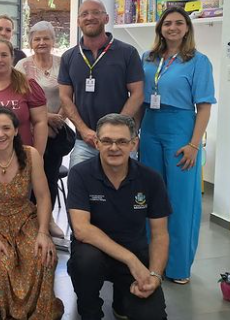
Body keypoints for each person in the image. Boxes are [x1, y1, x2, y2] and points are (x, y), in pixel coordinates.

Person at [138, 7, 216, 284]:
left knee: (181, 201)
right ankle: (153, 260)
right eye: (167, 23)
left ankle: (178, 267)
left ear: (187, 28)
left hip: (181, 128)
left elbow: (204, 107)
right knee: (150, 196)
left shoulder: (198, 61)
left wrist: (194, 145)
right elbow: (140, 99)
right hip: (150, 125)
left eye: (179, 23)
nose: (172, 28)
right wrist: (134, 133)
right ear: (160, 28)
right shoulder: (148, 58)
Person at [67, 114, 170, 320]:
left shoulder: (151, 179)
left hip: (135, 252)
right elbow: (81, 229)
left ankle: (122, 303)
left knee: (152, 316)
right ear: (97, 143)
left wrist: (155, 276)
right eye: (107, 141)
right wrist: (130, 259)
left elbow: (160, 234)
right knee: (85, 261)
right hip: (95, 254)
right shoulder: (80, 174)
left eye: (122, 141)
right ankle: (89, 311)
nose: (114, 148)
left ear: (134, 144)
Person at [0, 107, 64, 320]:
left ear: (16, 130)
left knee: (42, 258)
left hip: (25, 219)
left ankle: (38, 310)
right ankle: (10, 312)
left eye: (6, 128)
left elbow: (43, 196)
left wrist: (43, 232)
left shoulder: (31, 155)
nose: (0, 134)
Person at [58, 0, 144, 166]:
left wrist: (115, 128)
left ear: (106, 18)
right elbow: (65, 97)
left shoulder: (128, 53)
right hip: (85, 141)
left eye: (96, 12)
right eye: (84, 14)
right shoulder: (69, 57)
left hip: (120, 140)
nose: (90, 17)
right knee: (78, 181)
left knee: (124, 183)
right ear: (78, 21)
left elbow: (137, 94)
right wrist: (83, 130)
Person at [16, 21, 67, 238]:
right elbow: (18, 99)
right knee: (28, 175)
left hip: (56, 130)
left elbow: (70, 94)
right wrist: (46, 118)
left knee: (49, 175)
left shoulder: (63, 63)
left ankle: (48, 221)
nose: (41, 42)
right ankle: (27, 220)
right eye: (37, 39)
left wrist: (60, 118)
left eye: (46, 38)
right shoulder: (22, 66)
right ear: (30, 42)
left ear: (54, 40)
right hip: (30, 130)